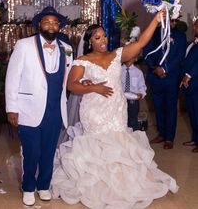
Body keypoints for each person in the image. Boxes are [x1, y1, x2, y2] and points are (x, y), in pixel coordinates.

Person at [50, 11, 178, 209]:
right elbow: (72, 85)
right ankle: (97, 185)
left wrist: (155, 20)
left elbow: (141, 43)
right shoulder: (82, 60)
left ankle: (121, 184)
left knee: (118, 140)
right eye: (97, 37)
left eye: (104, 36)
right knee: (99, 143)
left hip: (117, 108)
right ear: (90, 41)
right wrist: (94, 87)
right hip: (94, 110)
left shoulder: (117, 54)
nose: (103, 40)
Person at [5, 6, 73, 206]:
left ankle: (44, 186)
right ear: (39, 25)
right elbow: (12, 77)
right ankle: (28, 187)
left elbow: (69, 78)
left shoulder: (66, 48)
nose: (51, 25)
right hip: (28, 109)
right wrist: (12, 108)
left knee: (49, 152)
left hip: (55, 109)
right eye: (47, 22)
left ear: (59, 26)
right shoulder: (24, 45)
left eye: (55, 22)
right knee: (31, 152)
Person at [142, 18, 186, 149]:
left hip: (171, 78)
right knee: (158, 107)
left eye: (174, 21)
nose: (173, 24)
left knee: (170, 108)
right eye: (170, 21)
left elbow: (180, 56)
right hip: (155, 77)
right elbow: (146, 52)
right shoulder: (153, 32)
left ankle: (169, 137)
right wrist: (154, 68)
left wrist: (165, 69)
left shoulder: (180, 36)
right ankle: (161, 133)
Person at [180, 18, 198, 153]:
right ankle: (195, 138)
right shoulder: (192, 43)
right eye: (194, 26)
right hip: (189, 86)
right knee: (192, 113)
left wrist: (188, 75)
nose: (194, 29)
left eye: (197, 26)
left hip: (195, 83)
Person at [122, 58, 147, 131]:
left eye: (132, 57)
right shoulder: (118, 71)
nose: (129, 59)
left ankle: (133, 137)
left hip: (133, 100)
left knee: (133, 120)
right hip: (121, 99)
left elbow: (142, 86)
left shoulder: (138, 72)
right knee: (122, 119)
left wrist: (141, 94)